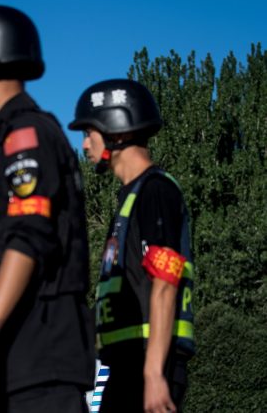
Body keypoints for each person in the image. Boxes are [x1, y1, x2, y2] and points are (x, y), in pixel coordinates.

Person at [0, 5, 95, 411]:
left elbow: (29, 237)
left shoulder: (25, 133)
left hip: (39, 358)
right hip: (21, 360)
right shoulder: (5, 140)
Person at [68, 79, 195, 412]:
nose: (84, 146)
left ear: (117, 132)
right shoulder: (130, 198)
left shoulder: (155, 191)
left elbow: (165, 281)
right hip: (126, 365)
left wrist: (154, 375)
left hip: (150, 363)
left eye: (88, 133)